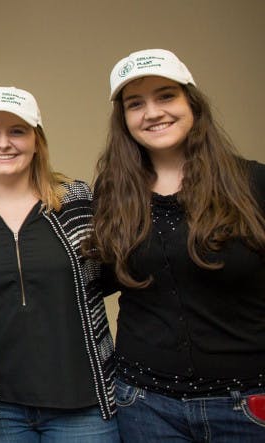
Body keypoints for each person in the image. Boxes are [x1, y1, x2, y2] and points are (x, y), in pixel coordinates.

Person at [87, 49, 265, 441]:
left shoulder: (252, 183)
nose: (152, 112)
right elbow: (101, 278)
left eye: (166, 96)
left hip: (247, 403)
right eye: (136, 104)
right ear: (124, 120)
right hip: (145, 404)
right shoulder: (113, 193)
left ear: (192, 103)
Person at [0, 87, 118, 441]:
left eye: (17, 131)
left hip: (84, 402)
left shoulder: (79, 201)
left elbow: (113, 272)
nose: (4, 143)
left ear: (37, 139)